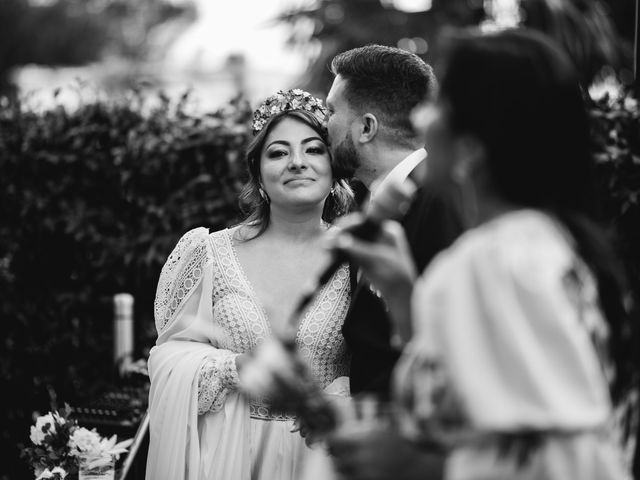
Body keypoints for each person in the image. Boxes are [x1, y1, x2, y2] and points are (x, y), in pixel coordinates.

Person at [328, 29, 634, 480]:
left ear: (471, 149)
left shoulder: (498, 261)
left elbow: (557, 454)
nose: (420, 122)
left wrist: (414, 463)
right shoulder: (544, 242)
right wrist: (401, 292)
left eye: (437, 106)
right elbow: (466, 391)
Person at [146, 89, 354, 480]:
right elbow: (167, 357)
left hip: (324, 459)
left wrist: (340, 396)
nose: (297, 163)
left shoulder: (359, 258)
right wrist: (233, 368)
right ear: (258, 173)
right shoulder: (207, 253)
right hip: (229, 458)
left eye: (313, 149)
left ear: (333, 166)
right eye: (278, 153)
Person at [325, 44, 463, 397]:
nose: (324, 126)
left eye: (331, 111)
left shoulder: (437, 200)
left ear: (366, 127)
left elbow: (451, 341)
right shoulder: (362, 203)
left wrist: (363, 405)